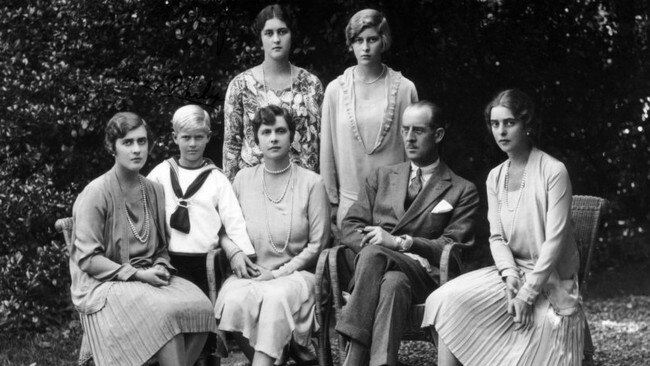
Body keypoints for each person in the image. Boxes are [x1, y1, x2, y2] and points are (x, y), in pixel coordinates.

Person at [422, 89, 585, 366]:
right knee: (445, 299)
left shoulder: (553, 171)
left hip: (551, 280)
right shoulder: (495, 177)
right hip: (513, 273)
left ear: (527, 124)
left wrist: (526, 294)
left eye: (509, 123)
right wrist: (510, 276)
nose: (501, 131)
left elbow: (554, 243)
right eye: (495, 124)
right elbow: (497, 237)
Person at [335, 101, 479, 366]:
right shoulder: (381, 177)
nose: (409, 138)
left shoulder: (462, 189)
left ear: (438, 135)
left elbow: (452, 245)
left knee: (377, 251)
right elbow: (350, 226)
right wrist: (380, 250)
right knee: (392, 282)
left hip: (427, 277)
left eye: (418, 131)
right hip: (383, 276)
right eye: (405, 130)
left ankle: (353, 357)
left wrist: (402, 243)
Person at [69, 112, 216, 366]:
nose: (136, 149)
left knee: (201, 307)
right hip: (104, 282)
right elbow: (88, 259)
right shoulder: (96, 192)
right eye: (127, 143)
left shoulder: (153, 189)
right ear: (112, 148)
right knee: (165, 315)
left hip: (146, 276)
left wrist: (159, 265)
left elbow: (159, 247)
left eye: (142, 141)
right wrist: (136, 275)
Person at [215, 105, 330, 366]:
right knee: (231, 297)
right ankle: (278, 355)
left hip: (298, 276)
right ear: (257, 140)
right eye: (266, 132)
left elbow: (318, 244)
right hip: (254, 274)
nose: (274, 138)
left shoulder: (312, 183)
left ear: (292, 137)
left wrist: (277, 274)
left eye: (281, 131)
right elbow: (223, 228)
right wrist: (233, 253)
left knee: (276, 298)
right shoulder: (243, 179)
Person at [147, 105, 256, 365]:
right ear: (174, 138)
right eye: (186, 137)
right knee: (176, 324)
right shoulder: (161, 174)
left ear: (208, 136)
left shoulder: (217, 179)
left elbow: (234, 221)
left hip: (205, 265)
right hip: (170, 262)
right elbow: (144, 208)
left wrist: (244, 253)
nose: (192, 144)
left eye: (199, 137)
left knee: (207, 329)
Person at [320, 8, 419, 229]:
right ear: (351, 43)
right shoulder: (335, 90)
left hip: (395, 207)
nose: (365, 48)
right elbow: (326, 152)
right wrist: (332, 204)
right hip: (349, 207)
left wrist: (412, 199)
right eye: (358, 40)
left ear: (383, 41)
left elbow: (416, 151)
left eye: (372, 39)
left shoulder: (404, 89)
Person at [223, 3, 323, 181]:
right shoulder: (241, 85)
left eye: (282, 32)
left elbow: (320, 141)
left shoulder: (311, 84)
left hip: (302, 187)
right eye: (269, 33)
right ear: (260, 39)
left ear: (291, 35)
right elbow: (231, 146)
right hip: (253, 187)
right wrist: (230, 198)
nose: (276, 39)